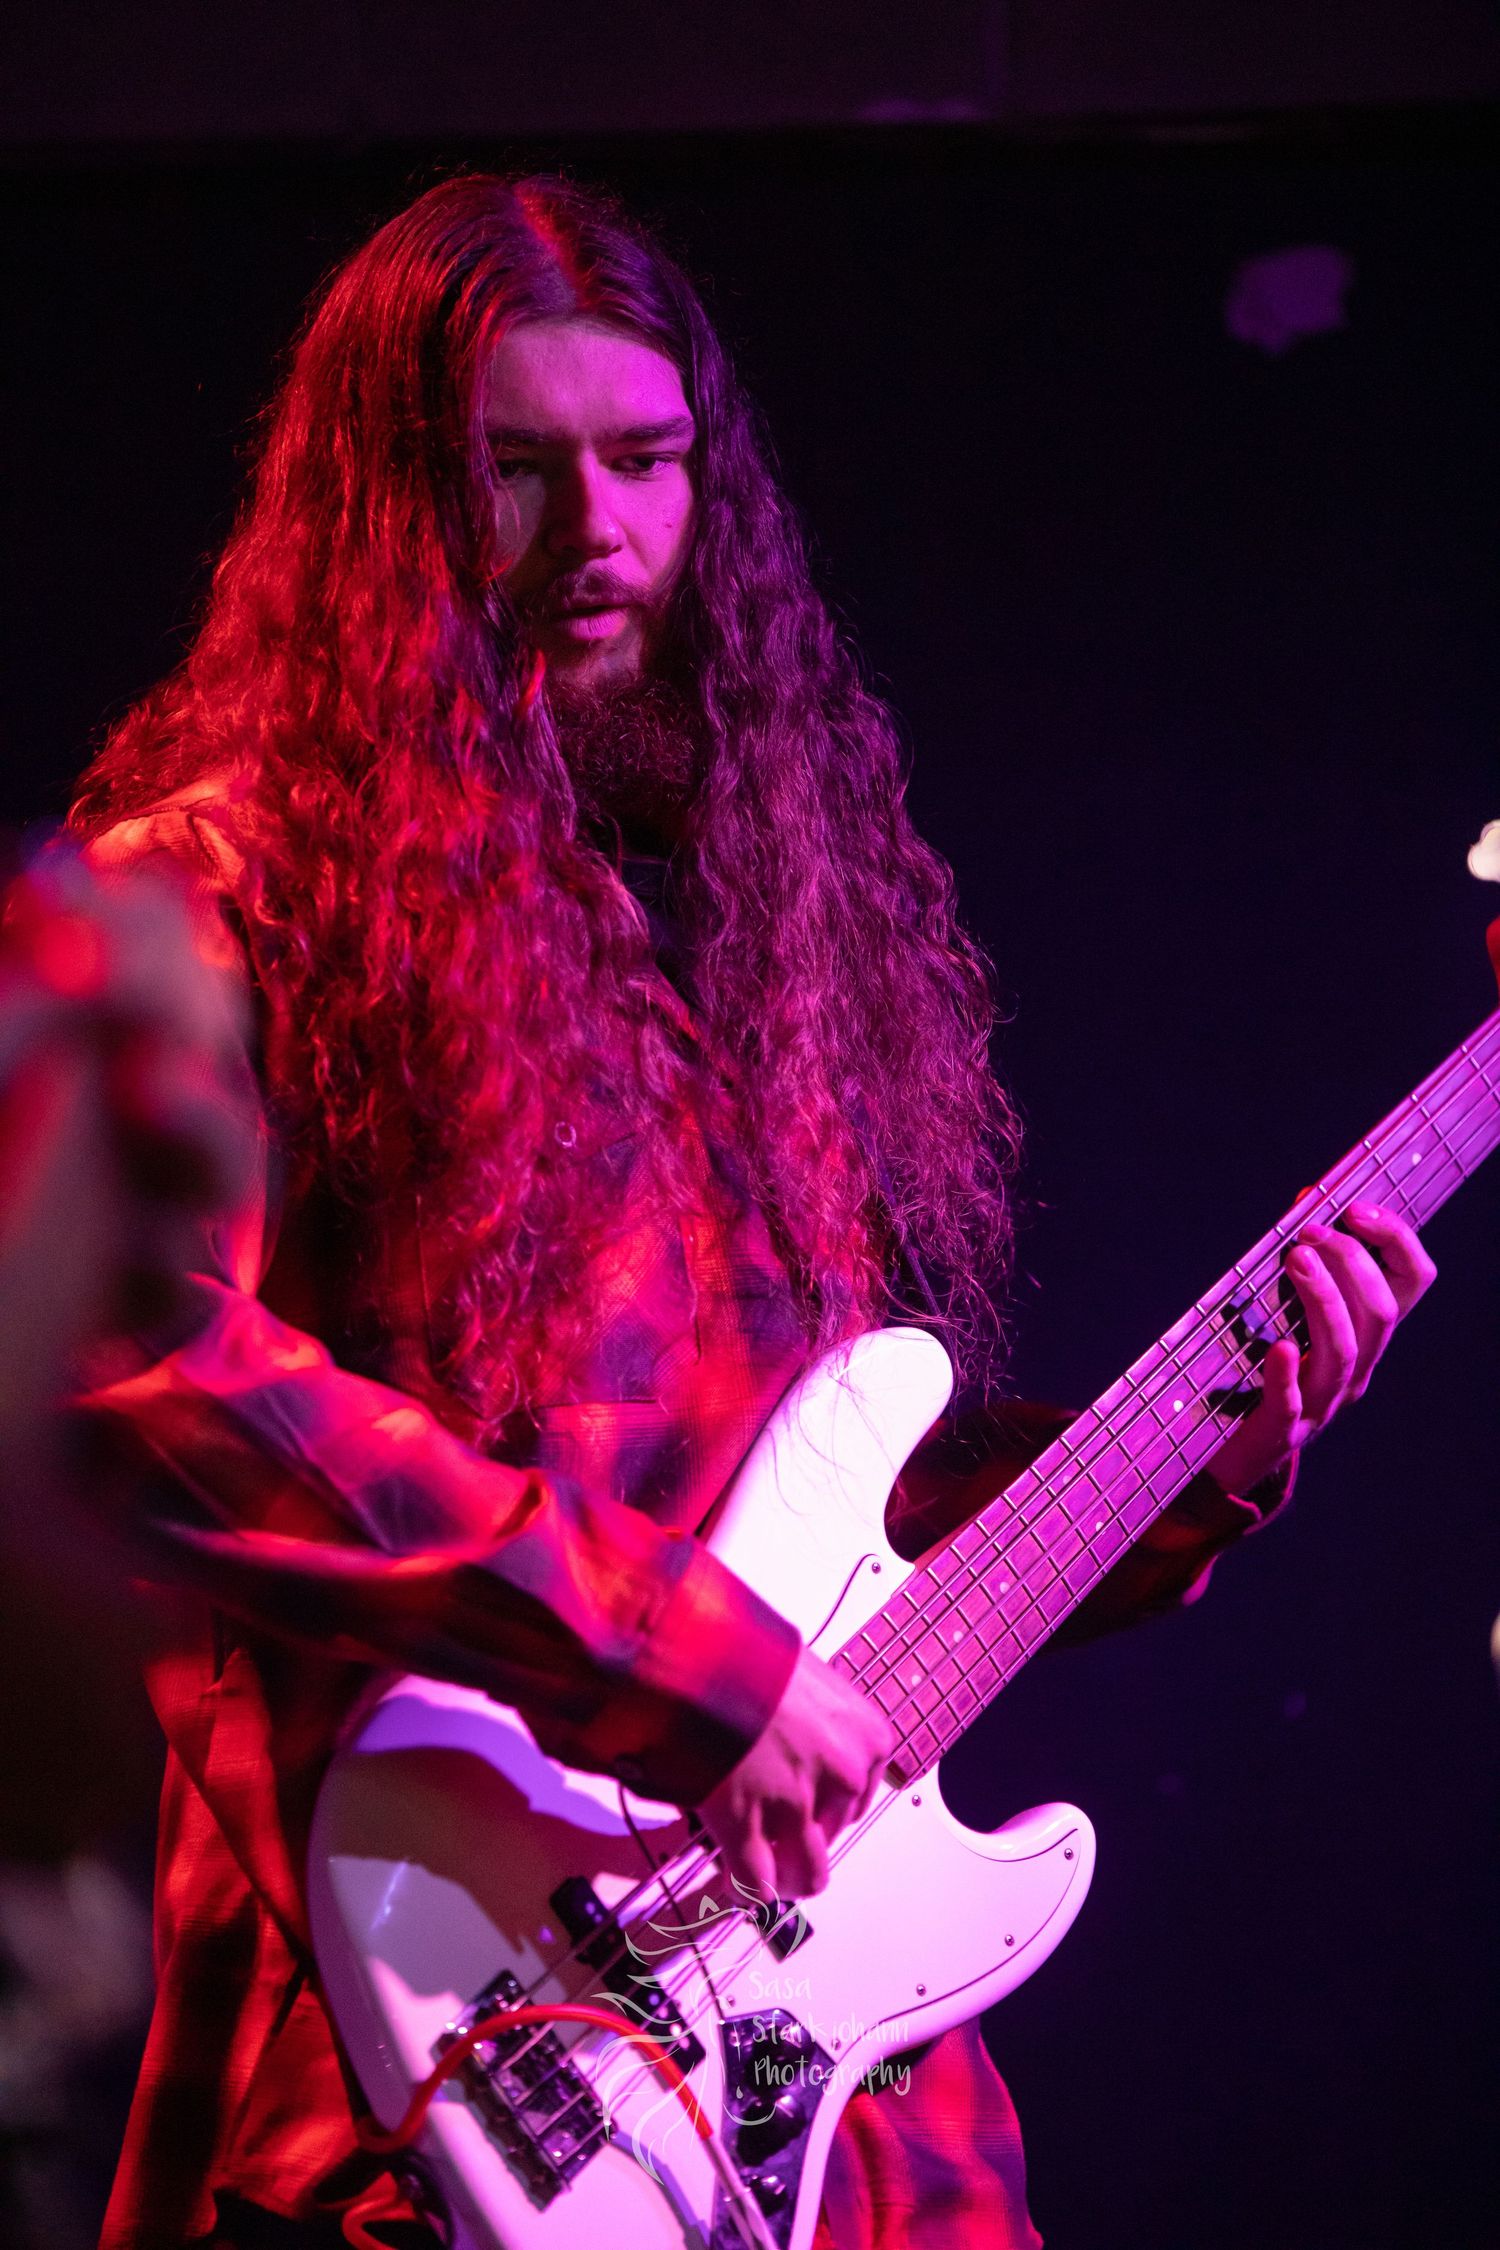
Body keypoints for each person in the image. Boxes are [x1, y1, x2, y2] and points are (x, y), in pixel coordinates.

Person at [67, 176, 1435, 2250]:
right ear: (379, 511)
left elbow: (825, 1558)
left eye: (643, 460)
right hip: (429, 2037)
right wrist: (664, 1659)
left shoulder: (736, 906)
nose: (595, 532)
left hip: (823, 2062)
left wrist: (1193, 1465)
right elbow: (121, 1340)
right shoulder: (211, 887)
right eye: (509, 472)